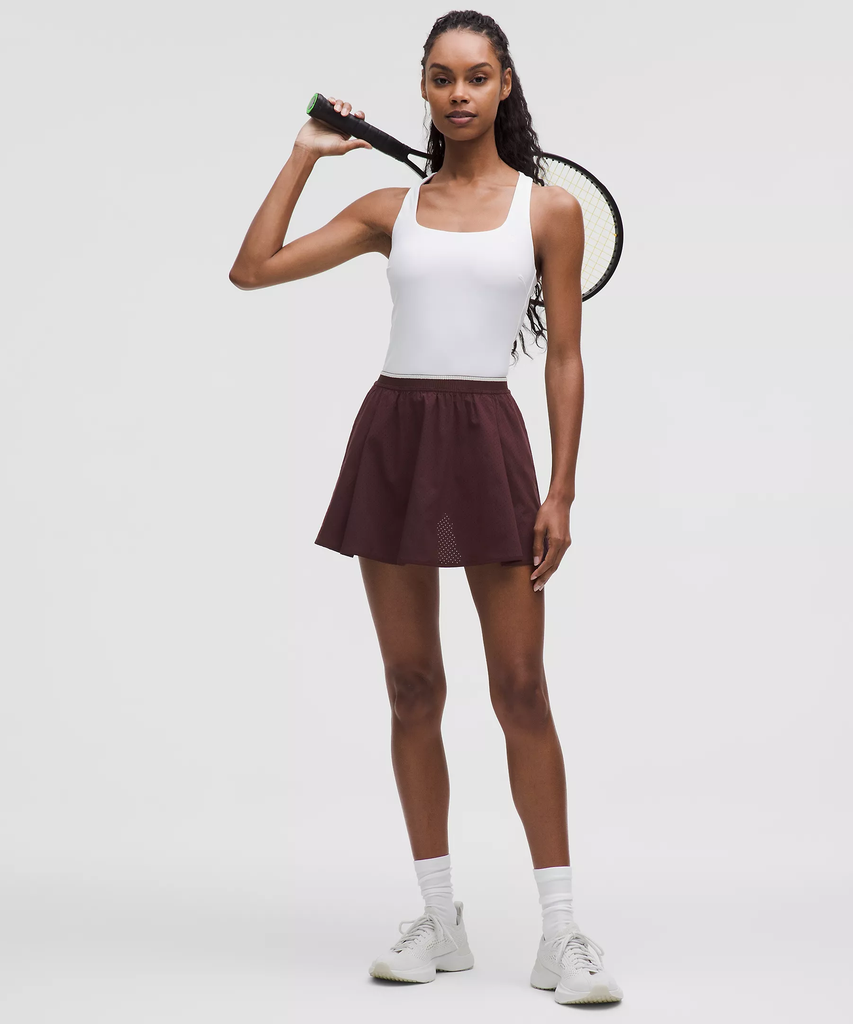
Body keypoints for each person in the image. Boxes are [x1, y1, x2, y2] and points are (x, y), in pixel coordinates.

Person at [229, 9, 623, 1007]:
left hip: (488, 439)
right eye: (441, 77)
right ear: (422, 86)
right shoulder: (386, 207)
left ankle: (562, 933)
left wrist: (562, 489)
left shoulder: (549, 210)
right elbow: (253, 269)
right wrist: (304, 154)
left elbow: (566, 358)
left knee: (521, 687)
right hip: (396, 436)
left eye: (476, 76)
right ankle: (439, 920)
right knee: (412, 686)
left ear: (504, 85)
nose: (458, 94)